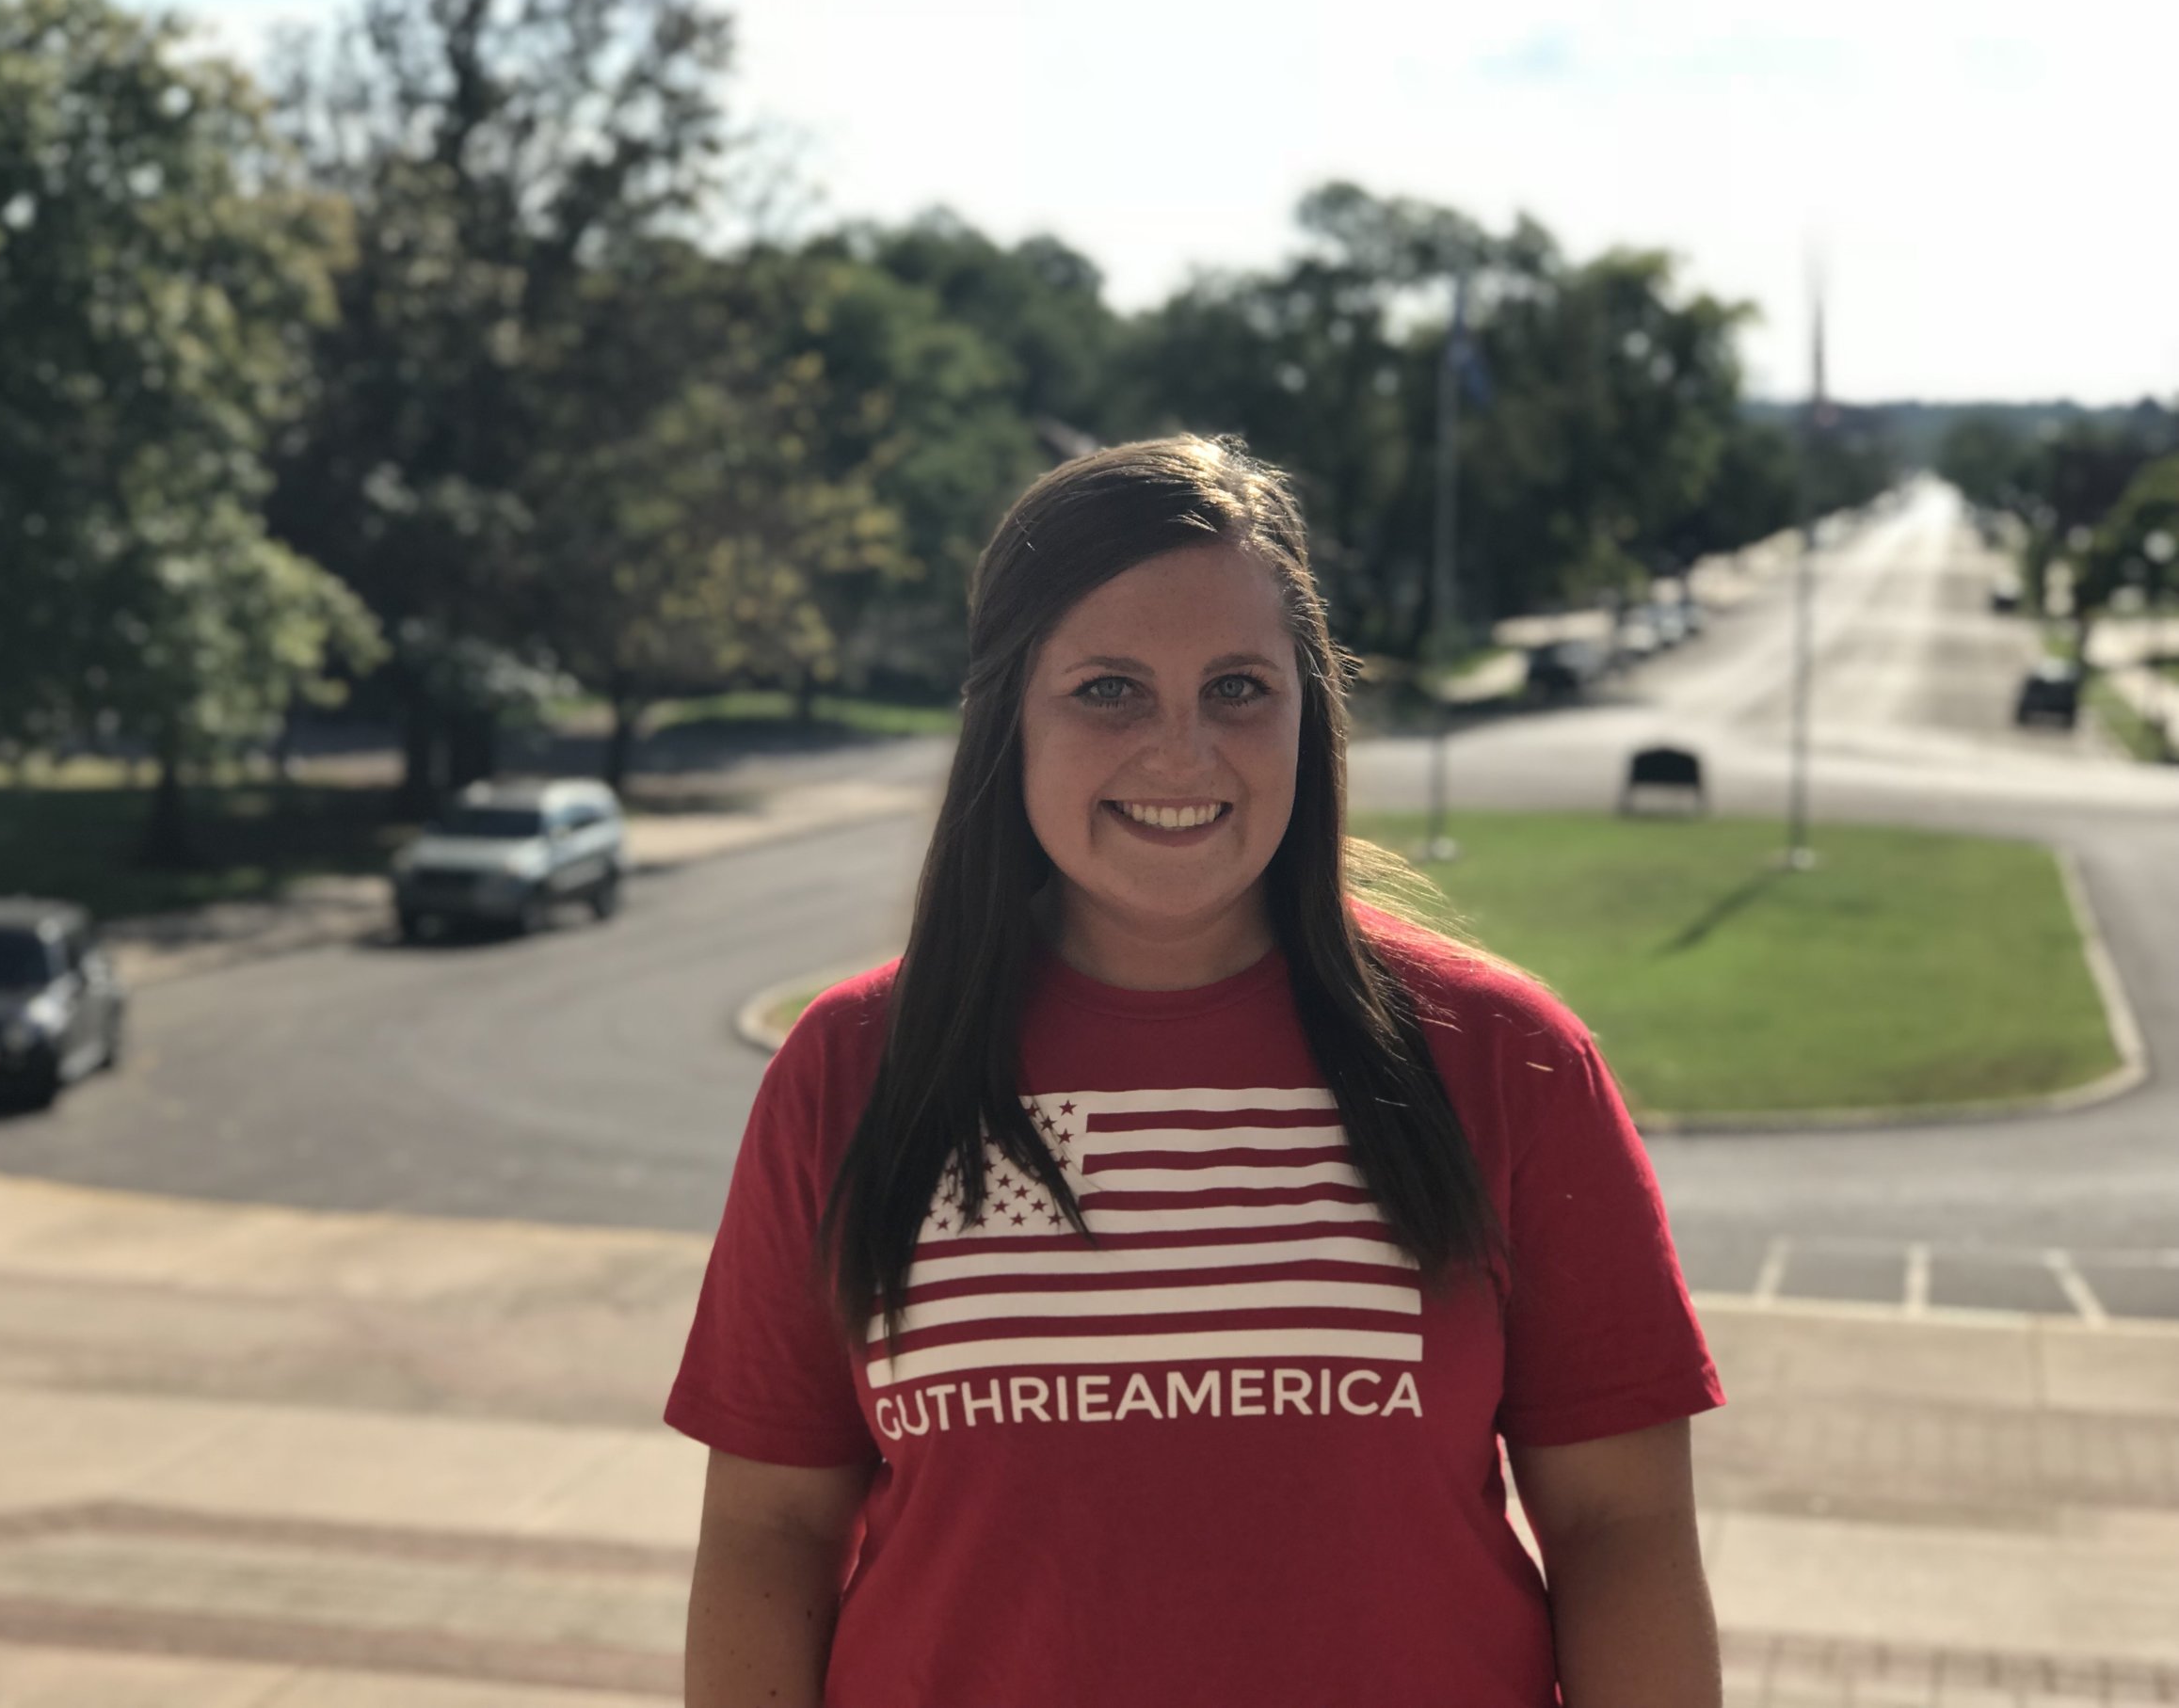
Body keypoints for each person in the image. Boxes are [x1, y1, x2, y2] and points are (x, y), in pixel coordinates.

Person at [666, 434, 1725, 1706]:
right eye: (1109, 689)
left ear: (1308, 709)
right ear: (1007, 717)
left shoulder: (1506, 1061)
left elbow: (1623, 1531)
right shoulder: (852, 1073)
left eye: (1238, 687)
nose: (1184, 753)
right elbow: (769, 1530)